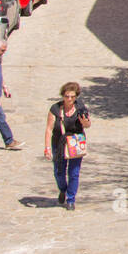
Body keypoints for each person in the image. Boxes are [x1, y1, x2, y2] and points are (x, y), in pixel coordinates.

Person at [45, 82, 91, 210]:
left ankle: (71, 199)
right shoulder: (55, 109)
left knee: (74, 172)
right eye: (66, 96)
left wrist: (84, 122)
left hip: (76, 142)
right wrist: (47, 148)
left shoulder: (80, 108)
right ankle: (63, 189)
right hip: (59, 143)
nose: (69, 99)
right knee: (59, 172)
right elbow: (49, 129)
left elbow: (87, 125)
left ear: (76, 96)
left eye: (72, 96)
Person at [0, 42, 24, 151]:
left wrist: (4, 87)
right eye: (2, 50)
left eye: (4, 51)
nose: (3, 53)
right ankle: (9, 141)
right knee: (0, 117)